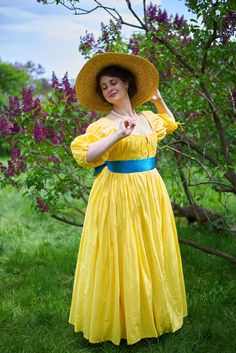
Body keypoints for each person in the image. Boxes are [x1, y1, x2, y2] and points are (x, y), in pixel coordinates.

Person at [69, 52, 187, 345]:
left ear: (126, 84)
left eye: (113, 82)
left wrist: (158, 99)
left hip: (150, 190)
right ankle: (121, 322)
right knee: (123, 251)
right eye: (104, 87)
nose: (109, 89)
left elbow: (168, 123)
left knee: (150, 248)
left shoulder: (147, 118)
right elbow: (87, 155)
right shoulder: (103, 126)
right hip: (117, 192)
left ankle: (153, 314)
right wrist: (117, 136)